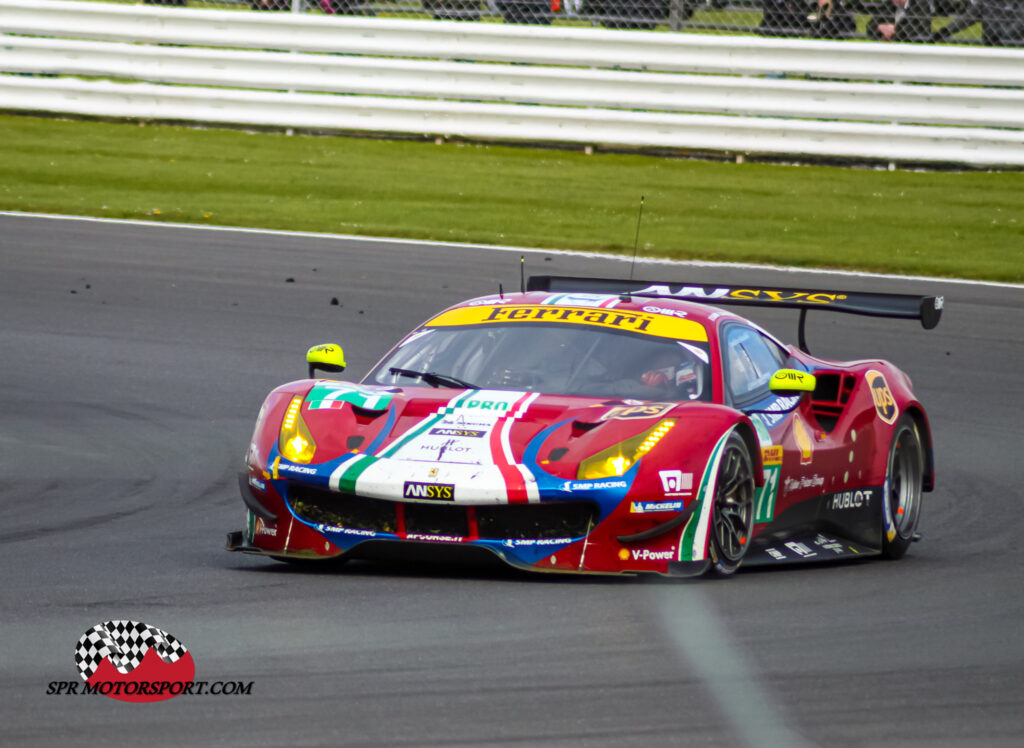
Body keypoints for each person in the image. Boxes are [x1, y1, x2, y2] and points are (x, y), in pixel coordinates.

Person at [931, 0, 1024, 45]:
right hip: (992, 46)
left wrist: (1003, 36)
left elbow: (1019, 24)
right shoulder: (987, 3)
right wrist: (945, 31)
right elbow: (967, 19)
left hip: (1014, 45)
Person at [867, 0, 935, 41]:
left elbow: (917, 29)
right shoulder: (889, 4)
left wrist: (894, 30)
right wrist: (880, 27)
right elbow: (870, 25)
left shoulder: (920, 4)